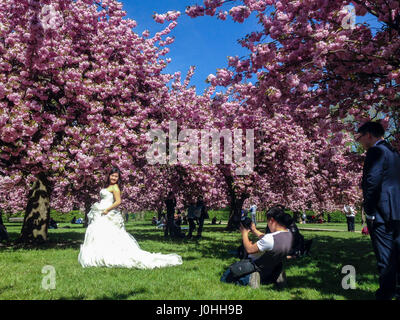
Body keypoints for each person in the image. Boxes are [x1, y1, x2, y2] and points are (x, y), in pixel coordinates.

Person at [78, 167, 182, 269]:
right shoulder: (107, 186)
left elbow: (118, 201)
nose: (114, 178)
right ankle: (99, 254)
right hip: (101, 212)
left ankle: (110, 254)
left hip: (107, 212)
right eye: (112, 175)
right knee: (98, 233)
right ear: (109, 176)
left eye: (116, 177)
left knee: (111, 233)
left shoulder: (115, 188)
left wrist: (107, 210)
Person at [356, 121, 400, 300]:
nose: (359, 142)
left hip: (382, 212)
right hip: (396, 211)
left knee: (385, 256)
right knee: (396, 254)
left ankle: (385, 294)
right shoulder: (393, 152)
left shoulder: (375, 151)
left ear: (368, 135)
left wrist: (369, 210)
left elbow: (372, 182)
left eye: (360, 138)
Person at [221, 206, 293, 289]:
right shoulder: (288, 234)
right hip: (272, 267)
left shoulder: (269, 239)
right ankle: (275, 277)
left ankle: (251, 278)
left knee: (225, 278)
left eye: (267, 222)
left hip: (256, 266)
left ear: (272, 220)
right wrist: (254, 230)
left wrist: (244, 234)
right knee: (267, 276)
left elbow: (249, 249)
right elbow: (269, 240)